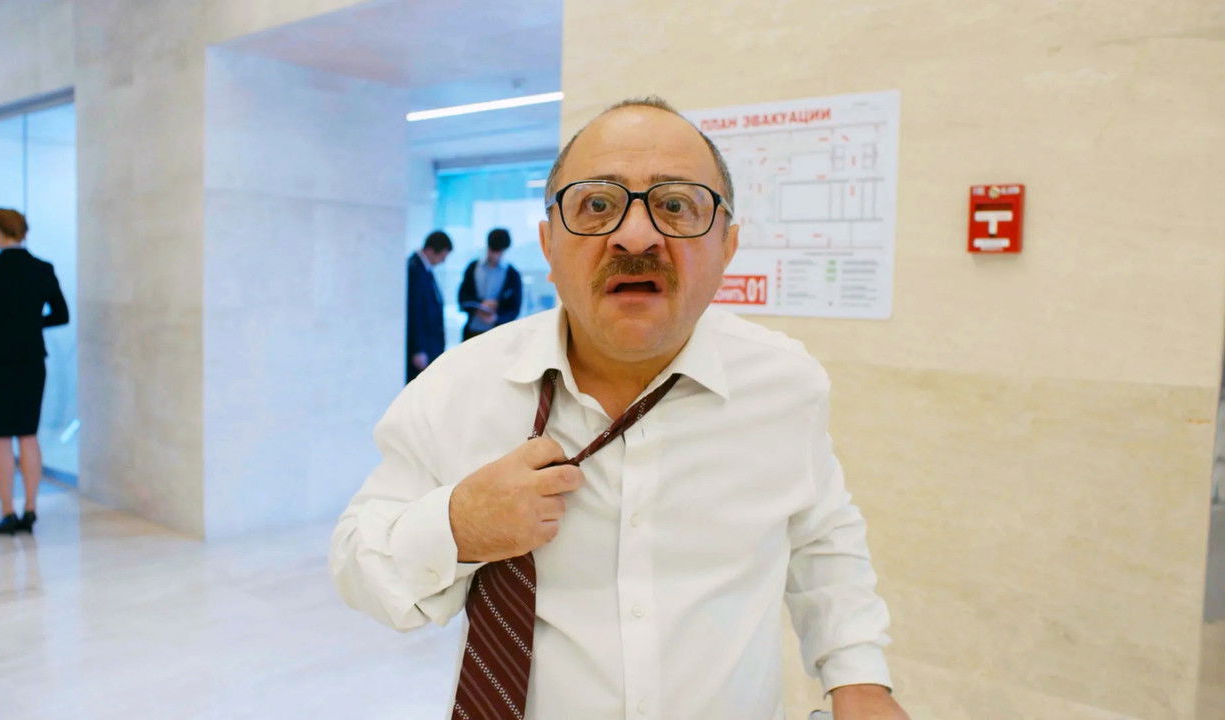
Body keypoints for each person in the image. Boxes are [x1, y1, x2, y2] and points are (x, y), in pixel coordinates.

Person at [331, 98, 908, 720]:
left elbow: (822, 538)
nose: (636, 236)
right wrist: (458, 526)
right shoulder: (461, 388)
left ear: (728, 246)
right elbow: (358, 564)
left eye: (676, 205)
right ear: (549, 244)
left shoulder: (784, 385)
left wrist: (858, 678)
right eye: (597, 205)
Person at [0, 209, 69, 536]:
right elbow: (61, 314)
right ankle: (31, 507)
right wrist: (30, 324)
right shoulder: (42, 268)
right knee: (28, 434)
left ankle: (7, 510)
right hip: (31, 358)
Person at [457, 228, 523, 341]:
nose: (493, 255)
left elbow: (514, 309)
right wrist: (479, 306)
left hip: (499, 335)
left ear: (504, 250)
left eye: (498, 251)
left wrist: (497, 316)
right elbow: (462, 297)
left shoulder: (512, 274)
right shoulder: (473, 267)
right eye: (491, 250)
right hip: (472, 332)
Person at [406, 230, 451, 383]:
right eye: (442, 256)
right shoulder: (414, 269)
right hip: (422, 347)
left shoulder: (424, 269)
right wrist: (418, 348)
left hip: (430, 345)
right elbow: (414, 312)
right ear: (431, 251)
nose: (443, 261)